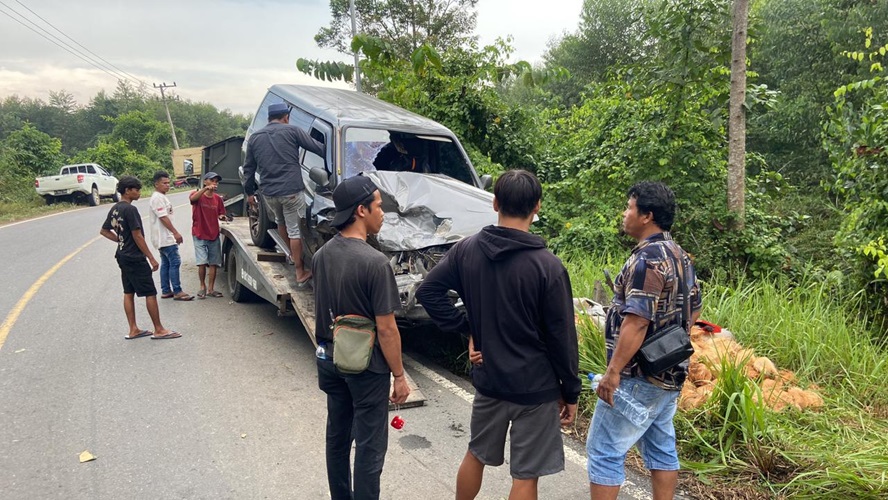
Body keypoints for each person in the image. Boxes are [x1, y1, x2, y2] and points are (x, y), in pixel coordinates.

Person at [416, 169, 582, 500]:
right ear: (537, 206)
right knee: (526, 476)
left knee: (476, 454)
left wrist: (468, 328)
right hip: (535, 388)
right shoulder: (547, 267)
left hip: (489, 378)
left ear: (494, 203)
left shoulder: (467, 250)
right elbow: (562, 337)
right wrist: (571, 392)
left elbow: (429, 292)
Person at [586, 181, 701, 500]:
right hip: (671, 372)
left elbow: (637, 322)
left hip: (637, 375)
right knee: (661, 446)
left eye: (629, 207)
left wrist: (613, 372)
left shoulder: (646, 260)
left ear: (647, 216)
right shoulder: (680, 256)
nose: (625, 214)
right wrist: (668, 347)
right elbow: (694, 309)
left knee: (604, 451)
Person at [312, 174, 411, 500]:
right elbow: (386, 329)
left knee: (337, 439)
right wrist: (399, 375)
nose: (383, 213)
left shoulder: (321, 256)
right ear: (361, 210)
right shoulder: (375, 263)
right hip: (367, 368)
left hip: (330, 359)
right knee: (369, 448)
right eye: (379, 206)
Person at [243, 102, 325, 287]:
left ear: (269, 118)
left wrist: (249, 193)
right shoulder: (293, 131)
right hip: (291, 192)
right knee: (295, 231)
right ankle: (299, 271)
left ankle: (290, 254)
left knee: (280, 222)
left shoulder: (255, 138)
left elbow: (249, 169)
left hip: (269, 193)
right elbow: (318, 148)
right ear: (286, 117)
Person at [100, 175, 181, 340]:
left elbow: (104, 230)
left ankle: (133, 329)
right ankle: (159, 329)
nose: (139, 193)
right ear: (128, 191)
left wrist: (120, 239)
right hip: (134, 256)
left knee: (128, 291)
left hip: (122, 255)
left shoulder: (115, 208)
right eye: (136, 190)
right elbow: (137, 236)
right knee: (150, 292)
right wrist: (150, 257)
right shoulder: (130, 210)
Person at [149, 170, 193, 301]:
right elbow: (163, 217)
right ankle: (177, 290)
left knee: (166, 263)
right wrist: (175, 232)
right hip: (165, 237)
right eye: (164, 183)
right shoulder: (157, 198)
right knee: (175, 261)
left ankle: (166, 290)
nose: (167, 185)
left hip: (162, 237)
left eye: (168, 183)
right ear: (156, 184)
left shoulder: (162, 197)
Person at [190, 171, 227, 299]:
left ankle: (211, 289)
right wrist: (205, 189)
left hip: (213, 234)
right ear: (205, 181)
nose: (214, 183)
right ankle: (202, 286)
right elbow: (192, 199)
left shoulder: (217, 199)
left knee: (214, 263)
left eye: (216, 181)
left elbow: (221, 213)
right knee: (201, 262)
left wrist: (222, 216)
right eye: (212, 180)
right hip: (199, 233)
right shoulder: (197, 195)